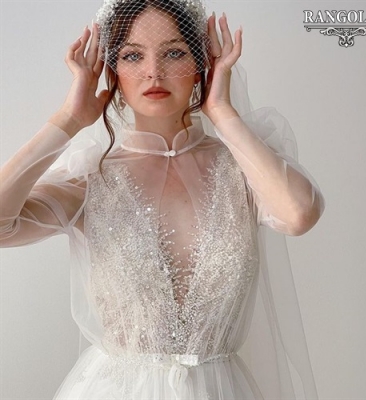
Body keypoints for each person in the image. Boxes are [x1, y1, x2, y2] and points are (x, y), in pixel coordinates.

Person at [0, 0, 325, 398]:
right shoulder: (90, 177)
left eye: (174, 53)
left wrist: (222, 112)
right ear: (112, 72)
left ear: (201, 66)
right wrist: (68, 120)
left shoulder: (242, 167)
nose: (153, 71)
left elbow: (299, 215)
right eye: (132, 56)